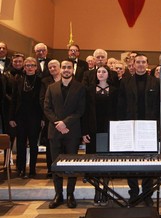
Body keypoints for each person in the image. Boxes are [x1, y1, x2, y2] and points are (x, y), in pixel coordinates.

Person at [117, 54, 160, 207]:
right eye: (138, 62)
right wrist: (121, 126)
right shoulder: (125, 82)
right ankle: (133, 193)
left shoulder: (156, 82)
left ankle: (147, 193)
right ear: (133, 64)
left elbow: (159, 107)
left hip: (149, 127)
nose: (141, 65)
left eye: (143, 62)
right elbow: (120, 105)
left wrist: (159, 128)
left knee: (149, 161)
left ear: (147, 64)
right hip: (130, 126)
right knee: (131, 161)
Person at [44, 59, 86, 209]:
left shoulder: (80, 88)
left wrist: (65, 123)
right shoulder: (51, 87)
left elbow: (80, 110)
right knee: (56, 165)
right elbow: (47, 108)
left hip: (72, 131)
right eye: (64, 67)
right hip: (55, 132)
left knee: (72, 165)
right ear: (60, 69)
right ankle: (58, 194)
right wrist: (58, 124)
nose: (66, 69)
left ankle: (70, 194)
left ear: (73, 70)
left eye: (69, 67)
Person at [82, 65, 118, 205]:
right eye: (99, 71)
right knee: (95, 160)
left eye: (104, 71)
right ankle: (97, 190)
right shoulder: (89, 90)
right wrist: (84, 132)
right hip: (93, 129)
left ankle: (105, 190)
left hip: (109, 130)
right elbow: (84, 112)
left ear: (108, 74)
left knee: (107, 160)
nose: (101, 73)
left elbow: (118, 111)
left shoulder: (115, 90)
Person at [9, 57, 43, 178]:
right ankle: (21, 168)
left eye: (32, 65)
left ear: (36, 67)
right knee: (21, 143)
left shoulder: (40, 81)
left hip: (35, 116)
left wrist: (43, 118)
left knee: (34, 143)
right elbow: (14, 100)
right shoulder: (18, 80)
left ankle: (32, 169)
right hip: (20, 116)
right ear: (24, 67)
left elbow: (43, 101)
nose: (29, 67)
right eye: (27, 65)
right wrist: (11, 117)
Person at [39, 59, 61, 178]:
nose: (52, 69)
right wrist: (52, 117)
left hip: (65, 119)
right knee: (50, 145)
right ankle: (51, 168)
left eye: (54, 67)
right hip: (50, 118)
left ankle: (64, 167)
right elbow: (42, 100)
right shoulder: (45, 81)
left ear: (60, 68)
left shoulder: (67, 80)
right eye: (50, 67)